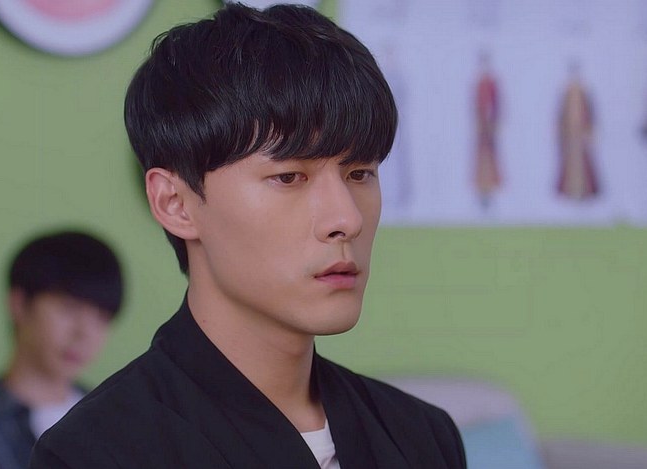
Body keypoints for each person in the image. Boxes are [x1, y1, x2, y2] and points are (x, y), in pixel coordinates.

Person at [31, 4, 466, 468]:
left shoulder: (422, 436)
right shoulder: (95, 453)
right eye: (289, 177)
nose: (346, 219)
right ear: (175, 203)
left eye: (360, 173)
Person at [0, 231, 123, 469]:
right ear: (19, 304)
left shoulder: (113, 417)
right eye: (69, 308)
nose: (85, 333)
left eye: (102, 318)